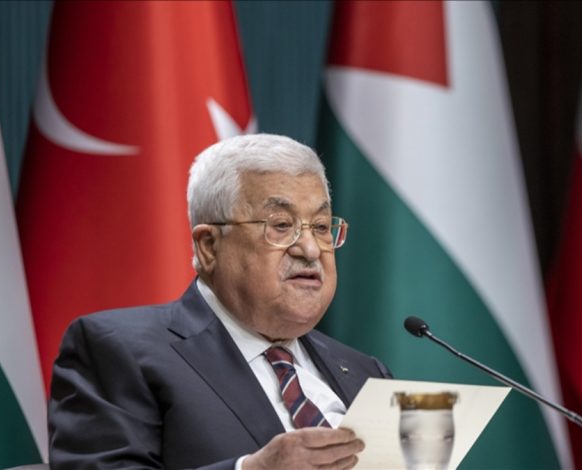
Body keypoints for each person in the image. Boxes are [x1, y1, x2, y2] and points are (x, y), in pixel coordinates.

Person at [48, 134, 392, 469]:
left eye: (320, 226)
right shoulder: (117, 351)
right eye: (281, 225)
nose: (311, 249)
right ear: (209, 246)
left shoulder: (366, 372)